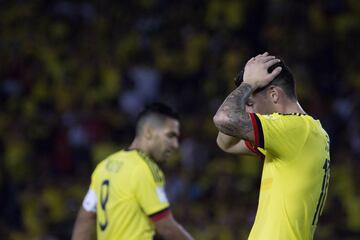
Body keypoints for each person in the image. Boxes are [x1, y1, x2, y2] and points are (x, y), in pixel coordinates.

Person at [213, 52, 330, 240]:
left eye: (250, 104)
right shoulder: (302, 134)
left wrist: (248, 85)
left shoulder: (295, 130)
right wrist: (246, 92)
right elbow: (225, 142)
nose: (248, 111)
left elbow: (224, 119)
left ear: (274, 94)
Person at [72, 103, 194, 240]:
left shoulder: (104, 166)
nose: (175, 144)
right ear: (149, 132)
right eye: (170, 136)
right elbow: (165, 226)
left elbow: (85, 219)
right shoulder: (145, 168)